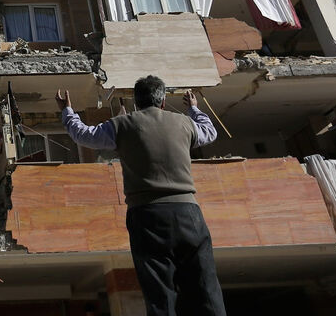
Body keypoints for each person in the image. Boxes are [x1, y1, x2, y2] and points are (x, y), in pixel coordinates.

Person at [56, 76, 225, 316]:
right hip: (188, 213)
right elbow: (209, 132)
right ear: (163, 101)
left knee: (160, 294)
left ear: (136, 102)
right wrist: (194, 108)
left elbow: (83, 135)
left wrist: (67, 111)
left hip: (147, 216)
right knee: (205, 288)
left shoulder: (122, 125)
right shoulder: (183, 123)